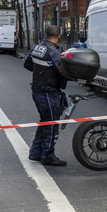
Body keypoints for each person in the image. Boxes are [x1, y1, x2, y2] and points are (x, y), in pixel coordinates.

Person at [24, 25, 68, 166]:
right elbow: (62, 72)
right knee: (51, 125)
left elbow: (27, 65)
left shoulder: (37, 48)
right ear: (59, 36)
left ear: (46, 35)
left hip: (37, 89)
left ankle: (36, 152)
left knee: (45, 121)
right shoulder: (54, 53)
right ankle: (47, 155)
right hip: (49, 92)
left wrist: (41, 71)